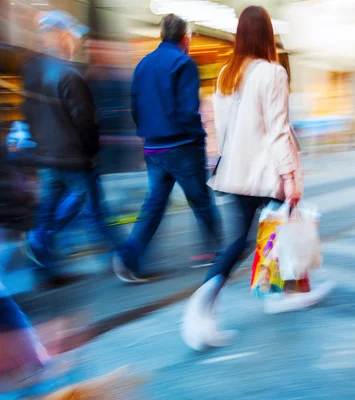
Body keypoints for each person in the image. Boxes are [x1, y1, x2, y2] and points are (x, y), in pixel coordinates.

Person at [181, 6, 333, 350]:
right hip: (265, 171)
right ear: (267, 34)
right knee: (269, 230)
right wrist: (290, 176)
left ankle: (265, 294)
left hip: (235, 171)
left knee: (255, 236)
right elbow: (278, 131)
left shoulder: (225, 75)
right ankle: (205, 305)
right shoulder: (272, 73)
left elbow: (220, 129)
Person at [113, 14, 222, 282]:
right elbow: (187, 111)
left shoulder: (143, 64)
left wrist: (147, 136)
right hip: (183, 147)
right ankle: (216, 252)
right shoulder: (184, 63)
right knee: (201, 200)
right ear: (185, 38)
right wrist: (199, 137)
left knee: (154, 205)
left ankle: (129, 258)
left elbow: (135, 108)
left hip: (154, 149)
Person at [20, 11, 122, 288]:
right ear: (62, 36)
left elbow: (28, 113)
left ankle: (44, 266)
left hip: (46, 156)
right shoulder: (70, 74)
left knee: (51, 209)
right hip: (74, 157)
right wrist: (92, 152)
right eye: (74, 35)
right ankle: (127, 259)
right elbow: (85, 122)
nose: (76, 41)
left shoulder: (32, 71)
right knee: (91, 209)